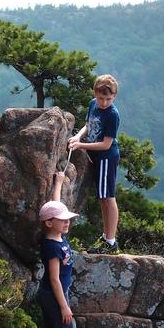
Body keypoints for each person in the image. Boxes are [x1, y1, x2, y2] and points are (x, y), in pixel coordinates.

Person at [37, 171, 87, 328]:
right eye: (63, 219)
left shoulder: (57, 236)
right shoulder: (51, 246)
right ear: (49, 223)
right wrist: (64, 307)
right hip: (56, 296)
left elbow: (55, 206)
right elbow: (55, 279)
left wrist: (57, 183)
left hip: (51, 295)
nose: (67, 222)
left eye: (68, 219)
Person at [69, 74, 120, 253]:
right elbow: (88, 125)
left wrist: (80, 145)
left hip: (106, 157)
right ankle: (106, 236)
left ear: (114, 97)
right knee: (102, 199)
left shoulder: (112, 114)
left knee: (108, 198)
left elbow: (106, 144)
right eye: (101, 98)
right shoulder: (93, 104)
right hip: (96, 157)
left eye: (108, 99)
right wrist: (77, 136)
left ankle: (111, 242)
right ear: (95, 93)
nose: (104, 102)